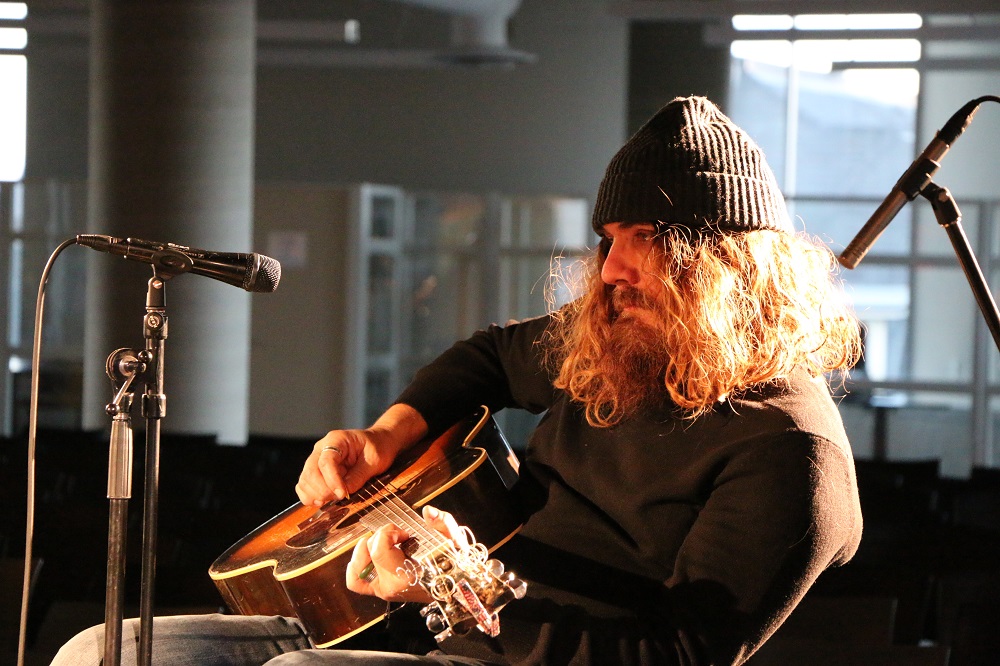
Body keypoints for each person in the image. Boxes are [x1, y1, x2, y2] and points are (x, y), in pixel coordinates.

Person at [52, 95, 864, 665]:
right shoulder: (623, 341)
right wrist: (384, 436)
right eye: (608, 236)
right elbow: (485, 358)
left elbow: (677, 655)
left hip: (506, 650)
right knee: (101, 651)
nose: (611, 269)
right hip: (446, 640)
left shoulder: (791, 451)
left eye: (644, 237)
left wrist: (472, 590)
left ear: (724, 264)